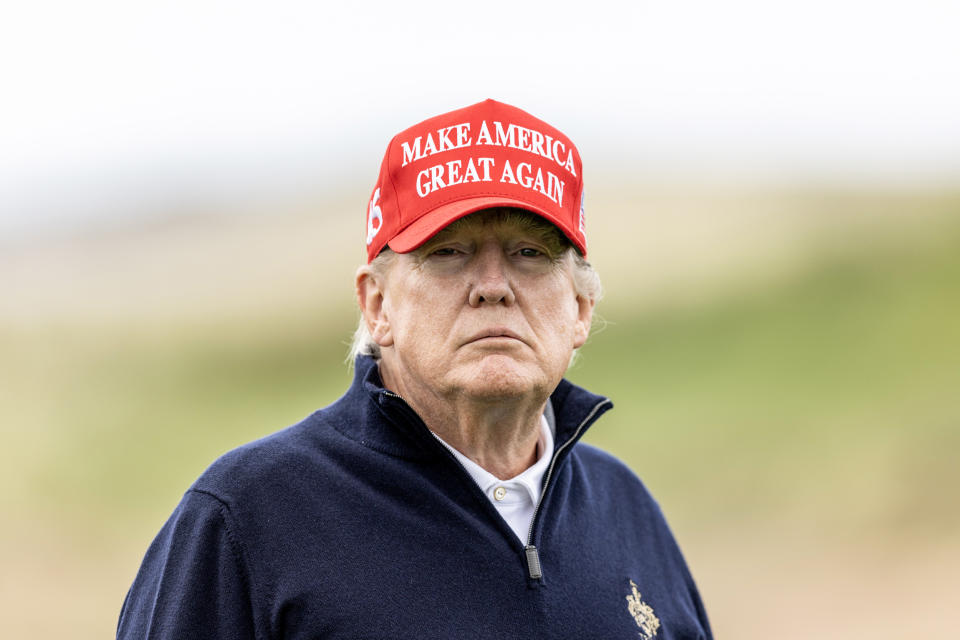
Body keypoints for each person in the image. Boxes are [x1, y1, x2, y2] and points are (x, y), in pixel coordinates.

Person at [117, 99, 712, 639]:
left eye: (529, 252)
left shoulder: (623, 507)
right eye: (447, 252)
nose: (492, 287)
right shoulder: (249, 518)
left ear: (580, 309)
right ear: (377, 305)